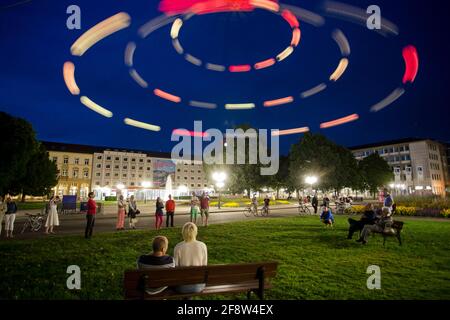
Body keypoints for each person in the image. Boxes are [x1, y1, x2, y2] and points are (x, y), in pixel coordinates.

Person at [174, 222, 208, 293]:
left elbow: (176, 268)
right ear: (195, 232)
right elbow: (204, 265)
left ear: (183, 232)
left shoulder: (178, 247)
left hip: (182, 286)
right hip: (198, 285)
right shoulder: (202, 246)